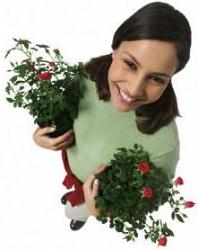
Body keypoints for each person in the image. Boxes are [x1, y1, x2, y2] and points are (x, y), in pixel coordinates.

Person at [33, 2, 191, 231]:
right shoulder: (86, 78)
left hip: (97, 195)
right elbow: (63, 110)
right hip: (73, 164)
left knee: (74, 209)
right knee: (76, 193)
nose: (135, 89)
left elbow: (147, 200)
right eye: (130, 64)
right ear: (115, 48)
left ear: (171, 78)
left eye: (156, 78)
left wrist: (104, 209)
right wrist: (40, 137)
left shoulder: (165, 147)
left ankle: (80, 212)